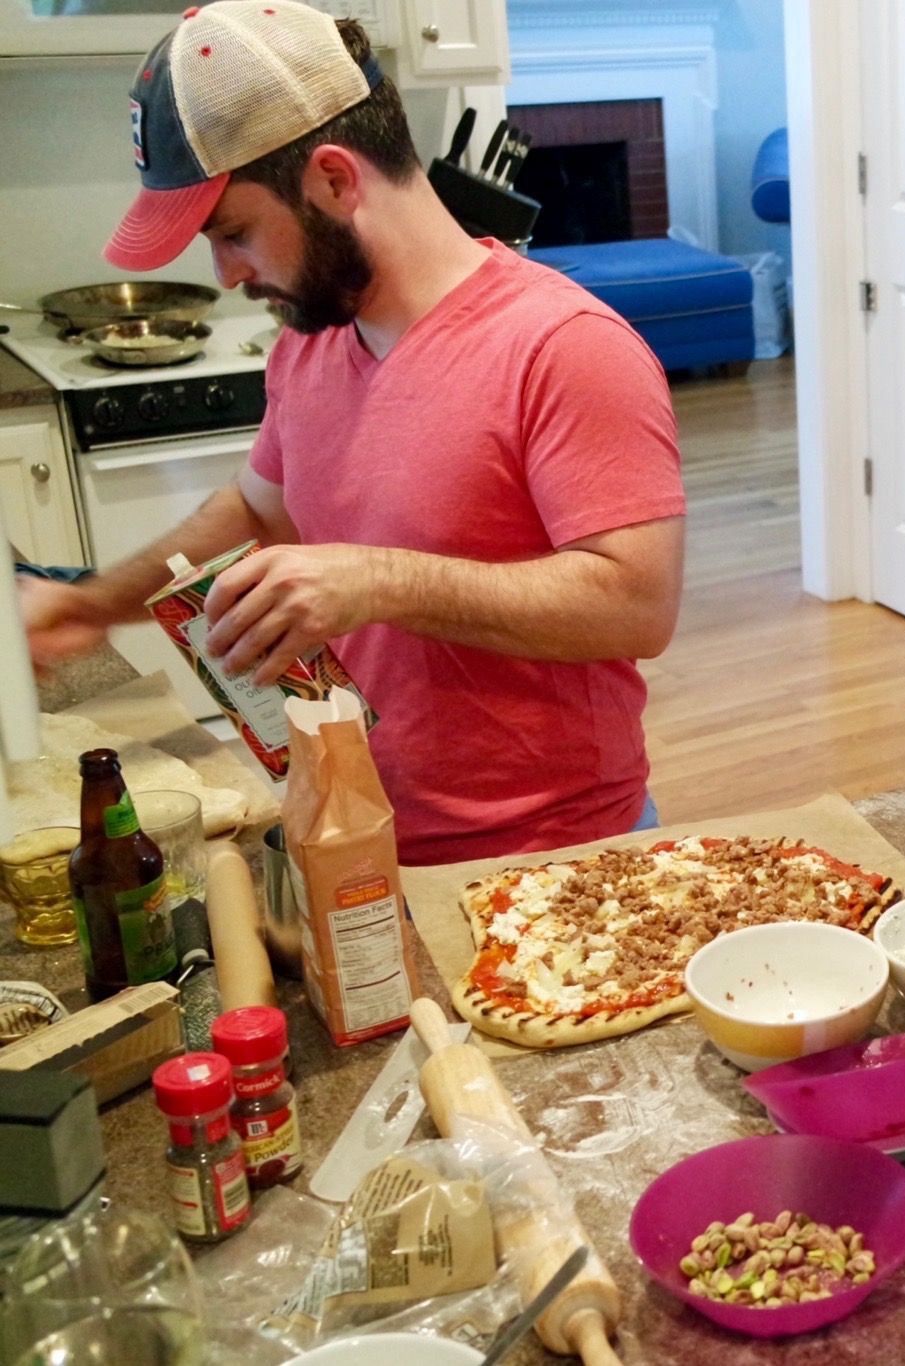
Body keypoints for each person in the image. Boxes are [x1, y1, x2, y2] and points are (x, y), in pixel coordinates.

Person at [19, 1, 686, 866]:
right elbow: (262, 510)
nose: (225, 276)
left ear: (333, 178)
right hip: (361, 832)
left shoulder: (564, 347)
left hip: (553, 856)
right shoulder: (314, 338)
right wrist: (89, 603)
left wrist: (373, 580)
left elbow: (637, 606)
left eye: (234, 233)